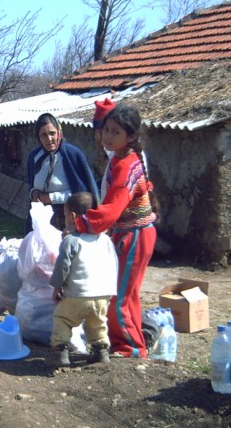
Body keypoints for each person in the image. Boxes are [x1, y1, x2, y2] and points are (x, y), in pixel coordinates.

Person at [74, 104, 159, 358]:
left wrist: (81, 223)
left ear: (131, 136)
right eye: (106, 130)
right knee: (129, 294)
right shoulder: (123, 159)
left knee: (117, 296)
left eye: (115, 132)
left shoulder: (125, 166)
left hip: (133, 236)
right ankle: (135, 344)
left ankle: (129, 347)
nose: (107, 137)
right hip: (136, 233)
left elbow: (112, 209)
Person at [49, 191, 118, 367]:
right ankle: (101, 351)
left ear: (72, 217)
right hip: (103, 295)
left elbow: (62, 267)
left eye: (64, 216)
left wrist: (57, 287)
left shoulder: (71, 241)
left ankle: (61, 353)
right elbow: (114, 264)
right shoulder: (106, 240)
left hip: (77, 295)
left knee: (63, 319)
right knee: (98, 324)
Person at [26, 113, 100, 232]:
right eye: (43, 135)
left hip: (68, 219)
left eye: (52, 133)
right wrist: (33, 193)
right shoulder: (34, 157)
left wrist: (52, 198)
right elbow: (31, 185)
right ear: (38, 138)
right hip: (41, 219)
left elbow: (82, 195)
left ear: (59, 132)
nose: (49, 139)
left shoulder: (72, 155)